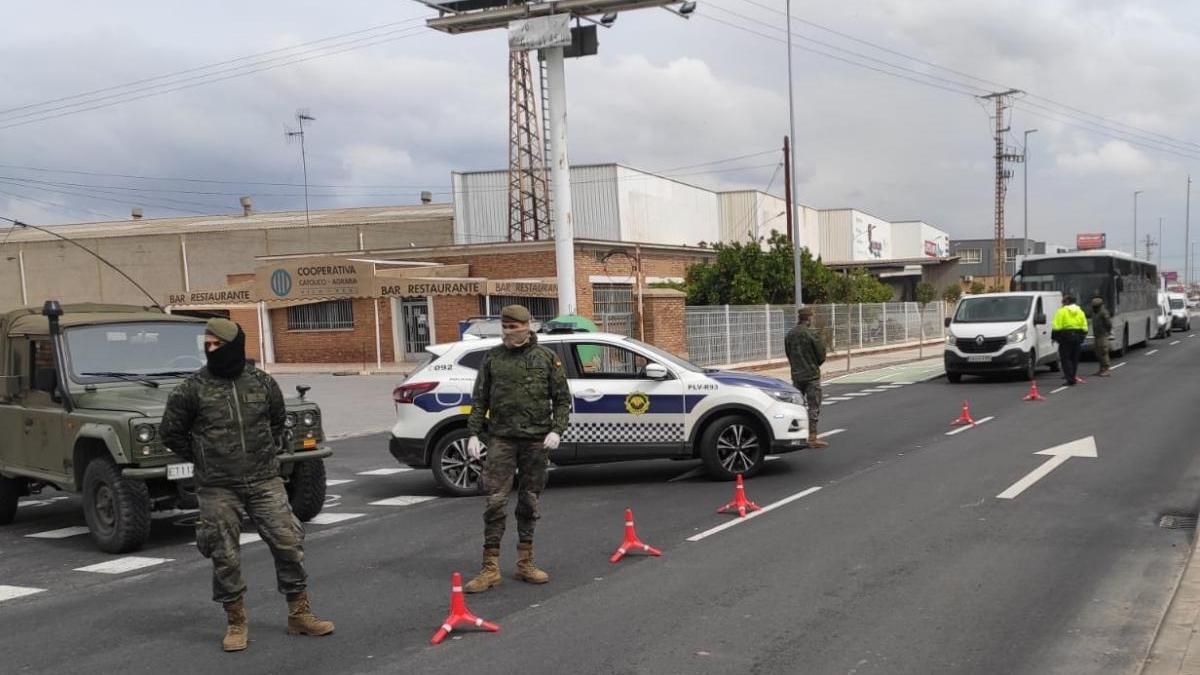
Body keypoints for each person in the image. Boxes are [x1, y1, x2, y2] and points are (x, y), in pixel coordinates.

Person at [160, 318, 333, 652]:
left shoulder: (261, 383)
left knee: (288, 542)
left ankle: (300, 614)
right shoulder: (191, 389)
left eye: (217, 345)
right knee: (224, 554)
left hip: (264, 480)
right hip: (217, 486)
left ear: (233, 346)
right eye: (206, 345)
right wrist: (204, 455)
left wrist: (261, 453)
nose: (211, 350)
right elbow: (171, 432)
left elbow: (277, 421)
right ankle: (236, 622)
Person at [463, 305, 571, 593]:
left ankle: (525, 562)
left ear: (529, 325)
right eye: (506, 328)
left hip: (536, 440)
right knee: (495, 501)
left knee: (529, 500)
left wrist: (556, 430)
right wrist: (473, 433)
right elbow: (479, 400)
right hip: (501, 438)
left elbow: (562, 400)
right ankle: (490, 567)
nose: (510, 333)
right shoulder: (493, 358)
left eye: (515, 327)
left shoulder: (547, 359)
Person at [784, 306, 829, 449]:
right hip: (811, 376)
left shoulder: (790, 334)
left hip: (796, 376)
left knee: (796, 407)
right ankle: (812, 437)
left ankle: (796, 435)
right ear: (809, 318)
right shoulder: (812, 335)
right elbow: (821, 356)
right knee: (813, 407)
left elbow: (789, 354)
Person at [1051, 294, 1088, 386]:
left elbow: (1056, 326)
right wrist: (1082, 337)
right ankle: (1073, 376)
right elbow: (1085, 327)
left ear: (1067, 302)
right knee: (1074, 359)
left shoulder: (1061, 311)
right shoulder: (1080, 311)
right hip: (1078, 336)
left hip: (1065, 337)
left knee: (1065, 358)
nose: (1062, 303)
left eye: (1063, 301)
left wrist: (1055, 337)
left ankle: (1070, 378)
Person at [1091, 296, 1113, 377]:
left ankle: (1107, 369)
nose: (1093, 307)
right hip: (1096, 335)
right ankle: (1101, 368)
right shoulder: (1094, 312)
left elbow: (1109, 324)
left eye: (1095, 306)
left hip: (1102, 335)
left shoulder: (1104, 312)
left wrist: (1107, 331)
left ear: (1099, 306)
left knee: (1103, 352)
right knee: (1097, 352)